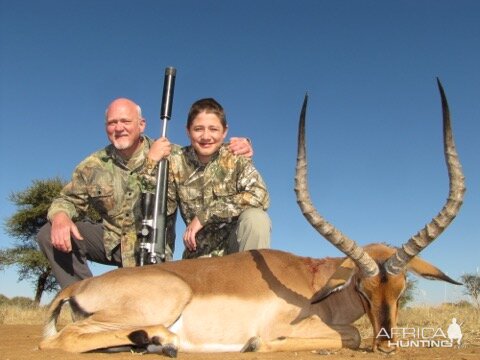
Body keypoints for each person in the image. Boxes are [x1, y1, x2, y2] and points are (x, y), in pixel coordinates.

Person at [36, 98, 253, 288]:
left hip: (154, 250)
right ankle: (86, 307)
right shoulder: (92, 165)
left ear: (141, 124)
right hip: (114, 242)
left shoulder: (172, 154)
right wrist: (60, 215)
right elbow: (66, 199)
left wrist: (238, 146)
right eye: (112, 122)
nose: (119, 127)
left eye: (125, 121)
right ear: (106, 127)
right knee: (48, 232)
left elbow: (204, 148)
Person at [145, 98, 271, 259]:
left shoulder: (236, 157)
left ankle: (251, 281)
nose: (206, 136)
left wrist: (205, 215)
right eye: (198, 129)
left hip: (238, 253)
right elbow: (163, 216)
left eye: (213, 129)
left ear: (224, 132)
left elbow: (260, 196)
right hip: (198, 256)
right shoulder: (175, 163)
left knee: (257, 219)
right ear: (187, 131)